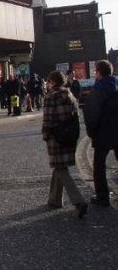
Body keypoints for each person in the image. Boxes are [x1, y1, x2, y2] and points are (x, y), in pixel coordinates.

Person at [41, 70, 87, 218]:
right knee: (60, 165)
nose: (47, 85)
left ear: (52, 82)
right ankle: (54, 200)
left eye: (48, 82)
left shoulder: (51, 97)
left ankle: (78, 201)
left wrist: (45, 135)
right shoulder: (70, 95)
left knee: (61, 168)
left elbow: (47, 119)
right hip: (70, 135)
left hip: (56, 137)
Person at [83, 60, 118, 207]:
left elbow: (92, 115)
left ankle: (102, 197)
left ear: (98, 73)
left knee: (99, 166)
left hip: (103, 133)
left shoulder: (97, 90)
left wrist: (91, 133)